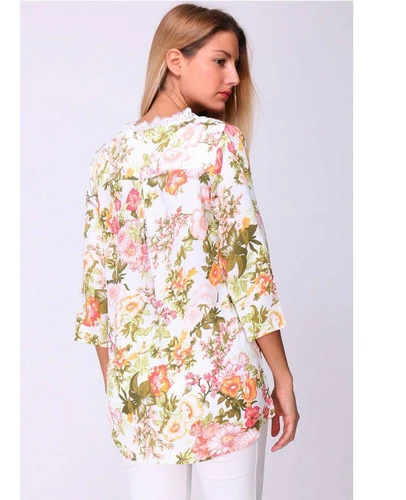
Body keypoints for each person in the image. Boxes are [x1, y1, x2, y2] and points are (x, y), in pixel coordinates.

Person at [74, 3, 299, 499]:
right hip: (222, 386)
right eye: (221, 61)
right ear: (175, 60)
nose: (234, 77)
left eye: (236, 64)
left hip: (140, 394)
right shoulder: (220, 144)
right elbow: (249, 271)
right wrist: (282, 377)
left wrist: (119, 391)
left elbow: (97, 295)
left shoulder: (107, 158)